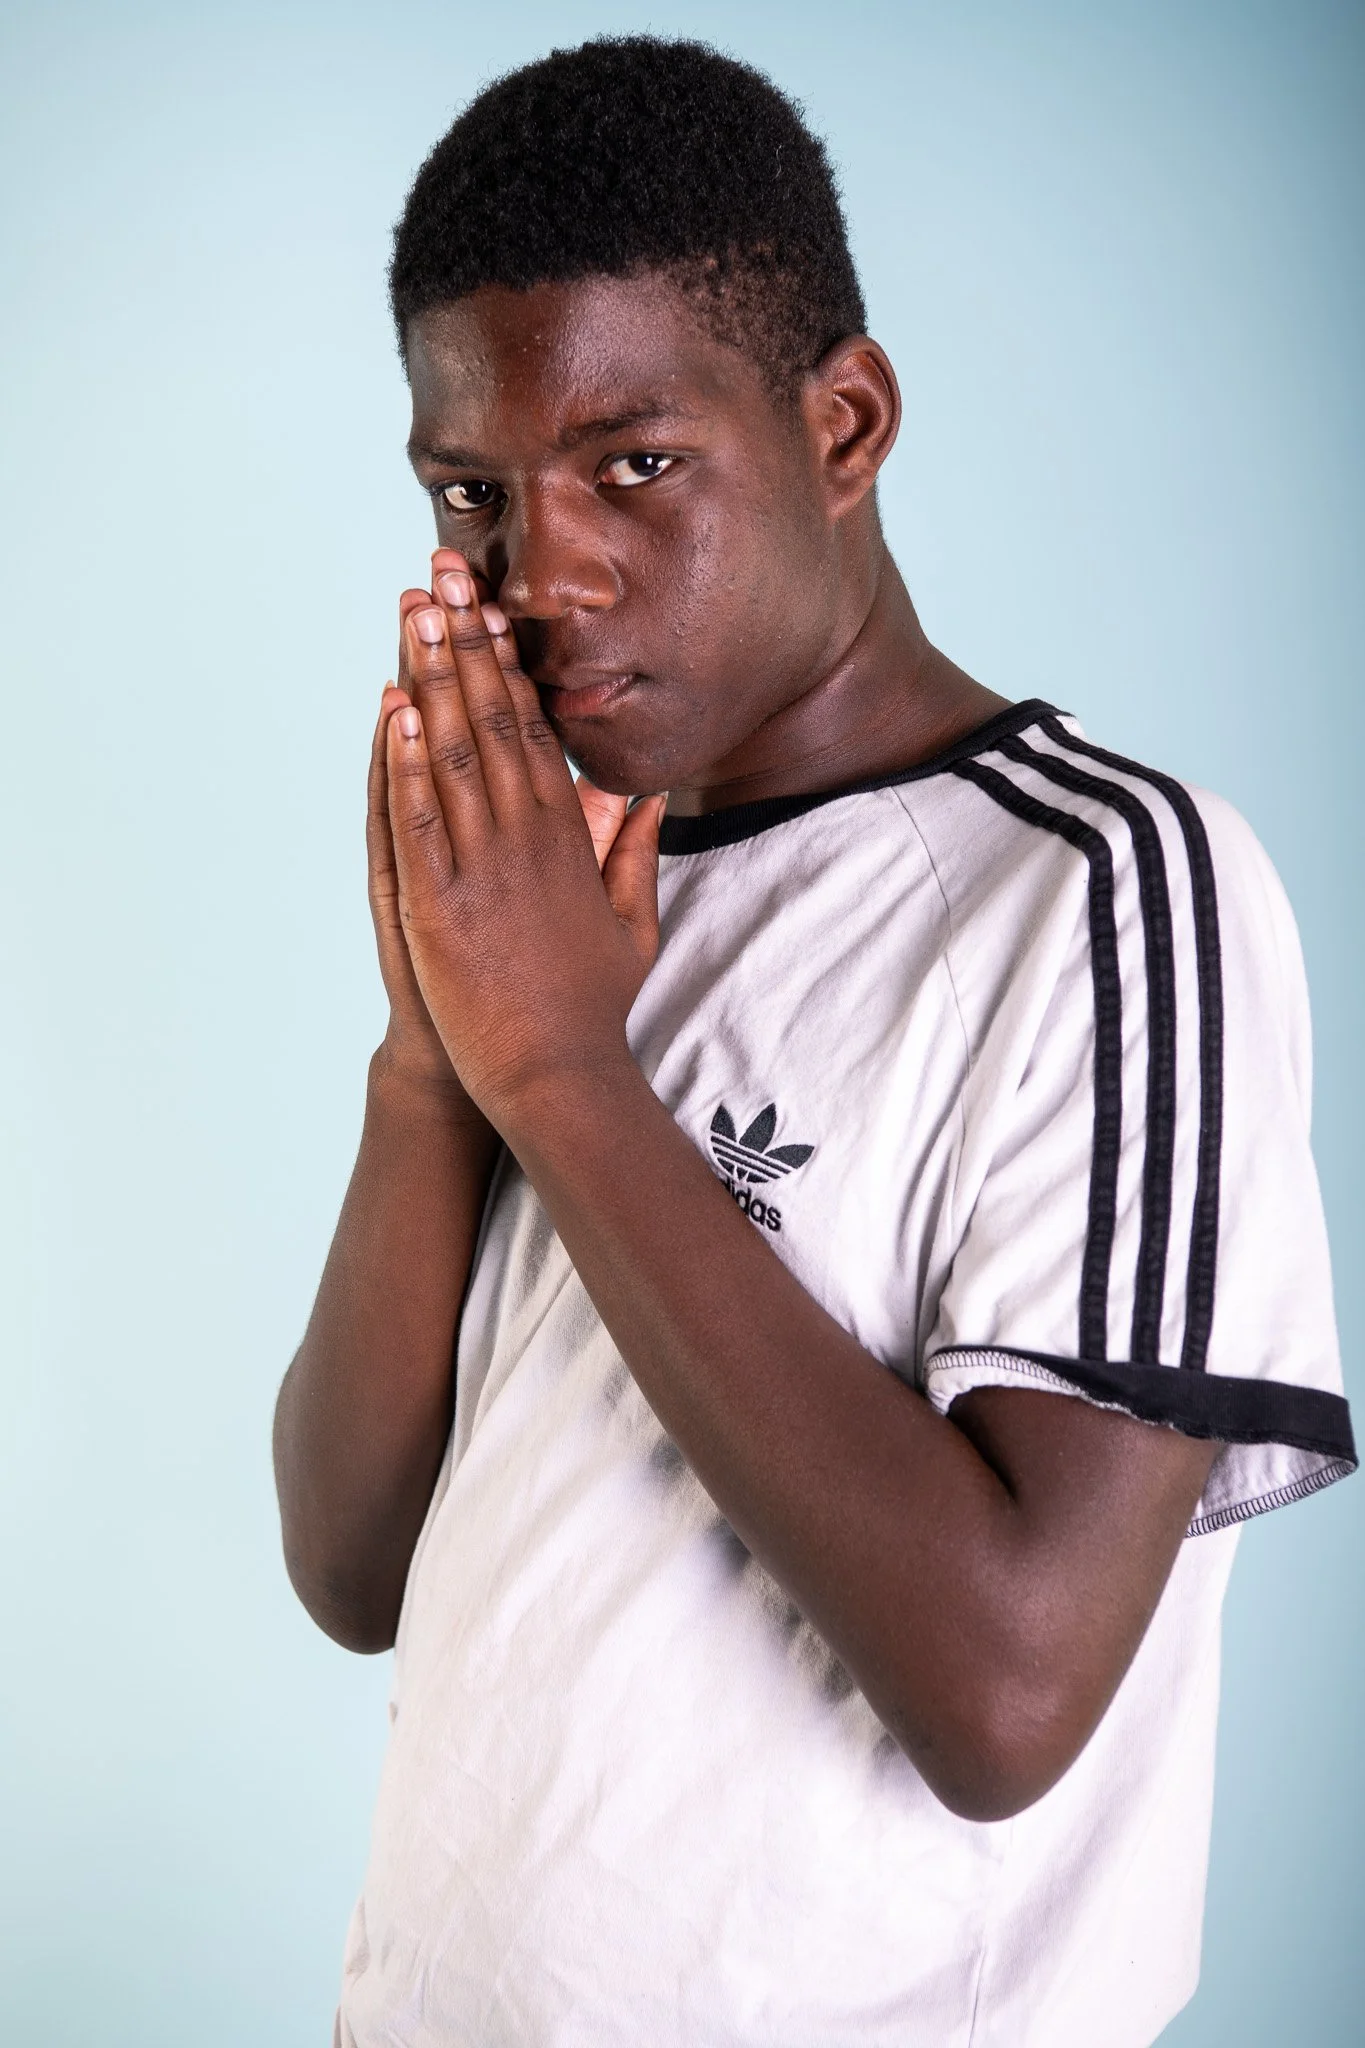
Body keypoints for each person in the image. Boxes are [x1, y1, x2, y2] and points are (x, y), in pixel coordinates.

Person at [271, 35, 1354, 2048]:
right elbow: (351, 1568)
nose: (541, 575)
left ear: (841, 425)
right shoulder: (562, 898)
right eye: (471, 495)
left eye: (633, 466)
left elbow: (1008, 1690)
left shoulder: (1106, 891)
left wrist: (565, 1076)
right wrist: (435, 1061)